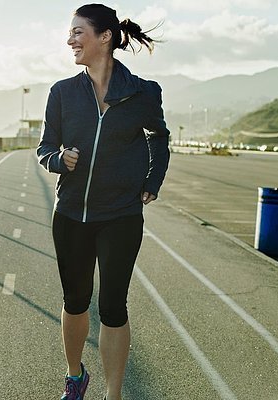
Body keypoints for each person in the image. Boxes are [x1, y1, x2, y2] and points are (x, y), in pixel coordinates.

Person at [36, 4, 170, 400]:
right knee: (76, 302)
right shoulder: (62, 92)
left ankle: (114, 394)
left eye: (79, 32)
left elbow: (158, 136)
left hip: (121, 215)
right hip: (72, 213)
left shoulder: (142, 92)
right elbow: (45, 147)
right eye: (70, 33)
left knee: (113, 305)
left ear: (105, 37)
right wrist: (59, 160)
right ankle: (75, 375)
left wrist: (152, 177)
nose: (70, 40)